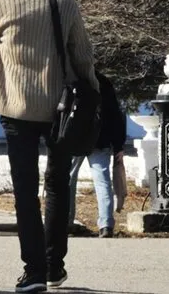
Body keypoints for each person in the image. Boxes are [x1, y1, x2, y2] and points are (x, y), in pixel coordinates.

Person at [0, 0, 97, 294]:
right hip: (60, 109)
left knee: (25, 191)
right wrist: (92, 93)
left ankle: (34, 271)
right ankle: (55, 265)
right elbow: (82, 53)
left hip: (16, 109)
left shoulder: (2, 1)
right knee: (57, 186)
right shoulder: (62, 0)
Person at [68, 70, 126, 238]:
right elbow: (114, 114)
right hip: (100, 139)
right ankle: (106, 224)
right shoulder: (103, 82)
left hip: (74, 139)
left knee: (68, 180)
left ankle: (66, 222)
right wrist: (118, 144)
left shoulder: (70, 80)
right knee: (102, 182)